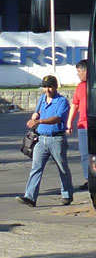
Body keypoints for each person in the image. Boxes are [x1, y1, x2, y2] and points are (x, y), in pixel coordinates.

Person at [15, 75, 74, 207]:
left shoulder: (62, 101)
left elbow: (58, 118)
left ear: (55, 87)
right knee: (36, 168)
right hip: (41, 139)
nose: (47, 90)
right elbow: (37, 112)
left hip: (56, 139)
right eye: (45, 87)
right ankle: (30, 197)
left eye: (50, 87)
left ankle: (67, 194)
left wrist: (39, 120)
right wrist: (34, 116)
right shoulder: (42, 99)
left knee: (62, 168)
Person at [67, 59, 89, 190]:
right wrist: (69, 122)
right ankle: (88, 179)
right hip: (83, 126)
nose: (78, 74)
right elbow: (74, 105)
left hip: (95, 125)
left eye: (79, 71)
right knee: (84, 154)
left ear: (86, 71)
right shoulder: (80, 86)